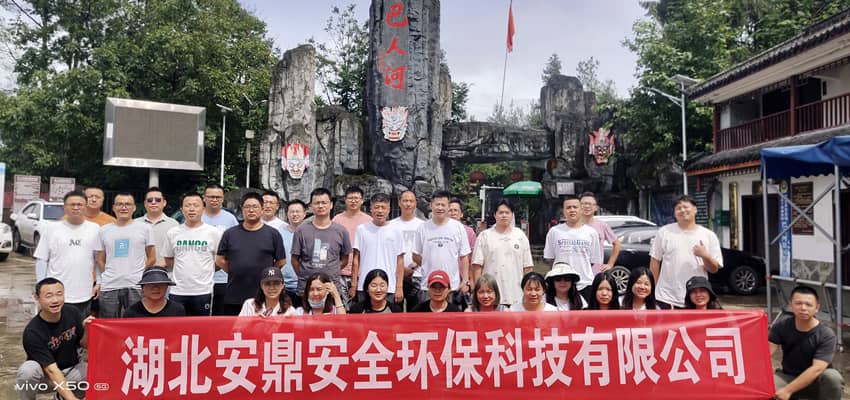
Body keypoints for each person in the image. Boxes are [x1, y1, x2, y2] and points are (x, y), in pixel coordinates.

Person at [17, 278, 93, 400]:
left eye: (59, 294)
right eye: (49, 296)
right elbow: (51, 370)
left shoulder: (72, 312)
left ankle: (60, 398)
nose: (55, 300)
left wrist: (88, 329)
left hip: (70, 371)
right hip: (44, 377)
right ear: (37, 298)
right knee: (27, 371)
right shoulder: (32, 331)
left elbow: (84, 345)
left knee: (91, 371)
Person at [216, 192, 286, 315]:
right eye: (247, 207)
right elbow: (220, 259)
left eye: (255, 206)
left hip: (263, 295)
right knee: (234, 327)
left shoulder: (273, 234)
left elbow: (281, 261)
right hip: (235, 294)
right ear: (242, 209)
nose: (251, 210)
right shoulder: (230, 233)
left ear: (262, 209)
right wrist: (234, 270)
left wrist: (267, 275)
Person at [769, 286, 843, 400]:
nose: (803, 308)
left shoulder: (826, 334)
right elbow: (765, 354)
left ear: (817, 308)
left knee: (833, 377)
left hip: (816, 381)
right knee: (766, 387)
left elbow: (817, 368)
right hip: (788, 377)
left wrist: (788, 390)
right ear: (791, 305)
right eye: (798, 303)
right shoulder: (780, 326)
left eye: (808, 304)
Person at [34, 191, 101, 317]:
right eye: (72, 204)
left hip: (84, 293)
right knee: (54, 328)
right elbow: (41, 259)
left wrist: (99, 281)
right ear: (64, 207)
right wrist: (41, 286)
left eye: (79, 204)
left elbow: (98, 259)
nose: (76, 208)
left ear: (86, 207)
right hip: (55, 295)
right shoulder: (51, 229)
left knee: (81, 326)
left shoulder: (95, 229)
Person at [649, 195, 723, 309]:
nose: (682, 210)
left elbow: (714, 269)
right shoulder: (664, 232)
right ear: (674, 213)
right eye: (678, 208)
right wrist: (652, 290)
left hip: (696, 298)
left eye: (686, 207)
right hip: (666, 297)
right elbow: (655, 261)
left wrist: (705, 255)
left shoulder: (708, 235)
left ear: (695, 209)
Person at [95, 193, 155, 318]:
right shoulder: (103, 230)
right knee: (109, 324)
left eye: (127, 204)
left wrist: (140, 273)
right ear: (113, 207)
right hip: (110, 285)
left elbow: (152, 257)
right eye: (119, 204)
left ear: (134, 208)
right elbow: (100, 259)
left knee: (137, 323)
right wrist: (108, 274)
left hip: (136, 285)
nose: (123, 207)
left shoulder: (145, 228)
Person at [163, 193, 222, 316]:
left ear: (203, 209)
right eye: (188, 205)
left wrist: (206, 269)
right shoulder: (173, 233)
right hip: (178, 290)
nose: (191, 209)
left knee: (202, 325)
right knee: (177, 325)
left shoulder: (214, 233)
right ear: (181, 209)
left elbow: (221, 260)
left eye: (195, 205)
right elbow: (168, 258)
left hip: (203, 290)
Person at [291, 188, 352, 305]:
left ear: (331, 204)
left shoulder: (341, 231)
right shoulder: (301, 230)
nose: (320, 206)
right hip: (306, 288)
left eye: (324, 202)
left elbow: (345, 259)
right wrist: (305, 274)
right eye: (317, 203)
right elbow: (294, 259)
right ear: (311, 206)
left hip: (331, 288)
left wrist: (331, 269)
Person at [470, 198, 533, 307]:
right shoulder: (485, 236)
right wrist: (477, 291)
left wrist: (528, 290)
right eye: (501, 212)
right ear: (495, 215)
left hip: (516, 294)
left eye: (507, 212)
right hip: (490, 296)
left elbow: (528, 267)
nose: (504, 215)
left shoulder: (520, 236)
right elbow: (477, 266)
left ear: (512, 215)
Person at [413, 190, 472, 305]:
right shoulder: (422, 228)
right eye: (437, 204)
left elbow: (464, 256)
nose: (440, 208)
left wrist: (465, 281)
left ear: (448, 206)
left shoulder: (458, 227)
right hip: (428, 285)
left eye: (443, 205)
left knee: (451, 315)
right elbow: (415, 255)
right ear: (431, 205)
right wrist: (427, 263)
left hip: (452, 286)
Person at [543, 195, 602, 301]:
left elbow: (592, 261)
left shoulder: (591, 233)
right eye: (568, 207)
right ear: (563, 211)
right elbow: (550, 259)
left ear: (581, 209)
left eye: (575, 207)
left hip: (585, 284)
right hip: (561, 285)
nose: (572, 210)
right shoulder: (554, 232)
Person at [350, 193, 404, 304]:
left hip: (389, 286)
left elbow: (400, 261)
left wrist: (399, 286)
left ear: (389, 210)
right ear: (371, 209)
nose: (380, 211)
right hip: (364, 286)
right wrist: (354, 284)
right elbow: (356, 259)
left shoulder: (397, 231)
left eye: (383, 207)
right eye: (376, 207)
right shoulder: (361, 229)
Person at [202, 183, 239, 315]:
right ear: (204, 198)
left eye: (218, 197)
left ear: (223, 199)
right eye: (211, 197)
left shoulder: (230, 219)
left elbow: (236, 246)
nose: (214, 200)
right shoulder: (197, 216)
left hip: (223, 278)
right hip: (200, 279)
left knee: (220, 316)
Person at [332, 186, 373, 305]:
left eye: (356, 198)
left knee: (361, 307)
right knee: (341, 306)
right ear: (345, 200)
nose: (353, 201)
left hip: (362, 273)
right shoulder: (337, 220)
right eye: (350, 198)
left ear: (362, 200)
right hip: (341, 272)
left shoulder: (369, 221)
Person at [390, 190, 425, 309]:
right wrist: (400, 268)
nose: (408, 204)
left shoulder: (423, 225)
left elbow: (427, 249)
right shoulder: (391, 225)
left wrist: (415, 265)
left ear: (415, 204)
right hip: (395, 274)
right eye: (405, 201)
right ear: (399, 203)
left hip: (417, 275)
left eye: (411, 201)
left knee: (416, 311)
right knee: (395, 311)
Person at [135, 187, 179, 266]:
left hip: (166, 272)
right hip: (139, 272)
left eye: (158, 200)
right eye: (150, 200)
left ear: (164, 203)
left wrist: (161, 265)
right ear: (145, 203)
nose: (153, 202)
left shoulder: (174, 225)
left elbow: (179, 251)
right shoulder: (135, 224)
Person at [579, 192, 621, 274]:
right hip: (576, 272)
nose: (587, 206)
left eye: (590, 204)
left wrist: (610, 264)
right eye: (584, 204)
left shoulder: (602, 225)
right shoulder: (573, 225)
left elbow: (617, 244)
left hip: (596, 273)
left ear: (596, 208)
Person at [278, 199, 306, 305]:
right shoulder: (279, 232)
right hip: (283, 284)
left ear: (304, 214)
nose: (294, 214)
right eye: (292, 212)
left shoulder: (310, 232)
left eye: (298, 211)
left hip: (304, 284)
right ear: (287, 214)